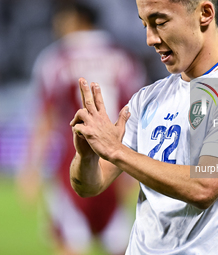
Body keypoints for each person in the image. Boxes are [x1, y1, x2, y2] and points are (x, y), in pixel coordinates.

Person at [70, 0, 218, 254]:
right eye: (144, 25)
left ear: (205, 14)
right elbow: (89, 186)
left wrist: (117, 152)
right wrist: (86, 156)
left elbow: (204, 186)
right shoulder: (148, 98)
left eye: (160, 22)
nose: (150, 39)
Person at [17, 2, 146, 255]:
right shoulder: (124, 58)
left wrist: (31, 168)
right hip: (115, 168)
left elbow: (46, 118)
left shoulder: (58, 58)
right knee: (120, 245)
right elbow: (136, 115)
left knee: (68, 244)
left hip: (73, 168)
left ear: (75, 19)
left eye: (61, 18)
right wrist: (133, 169)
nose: (57, 24)